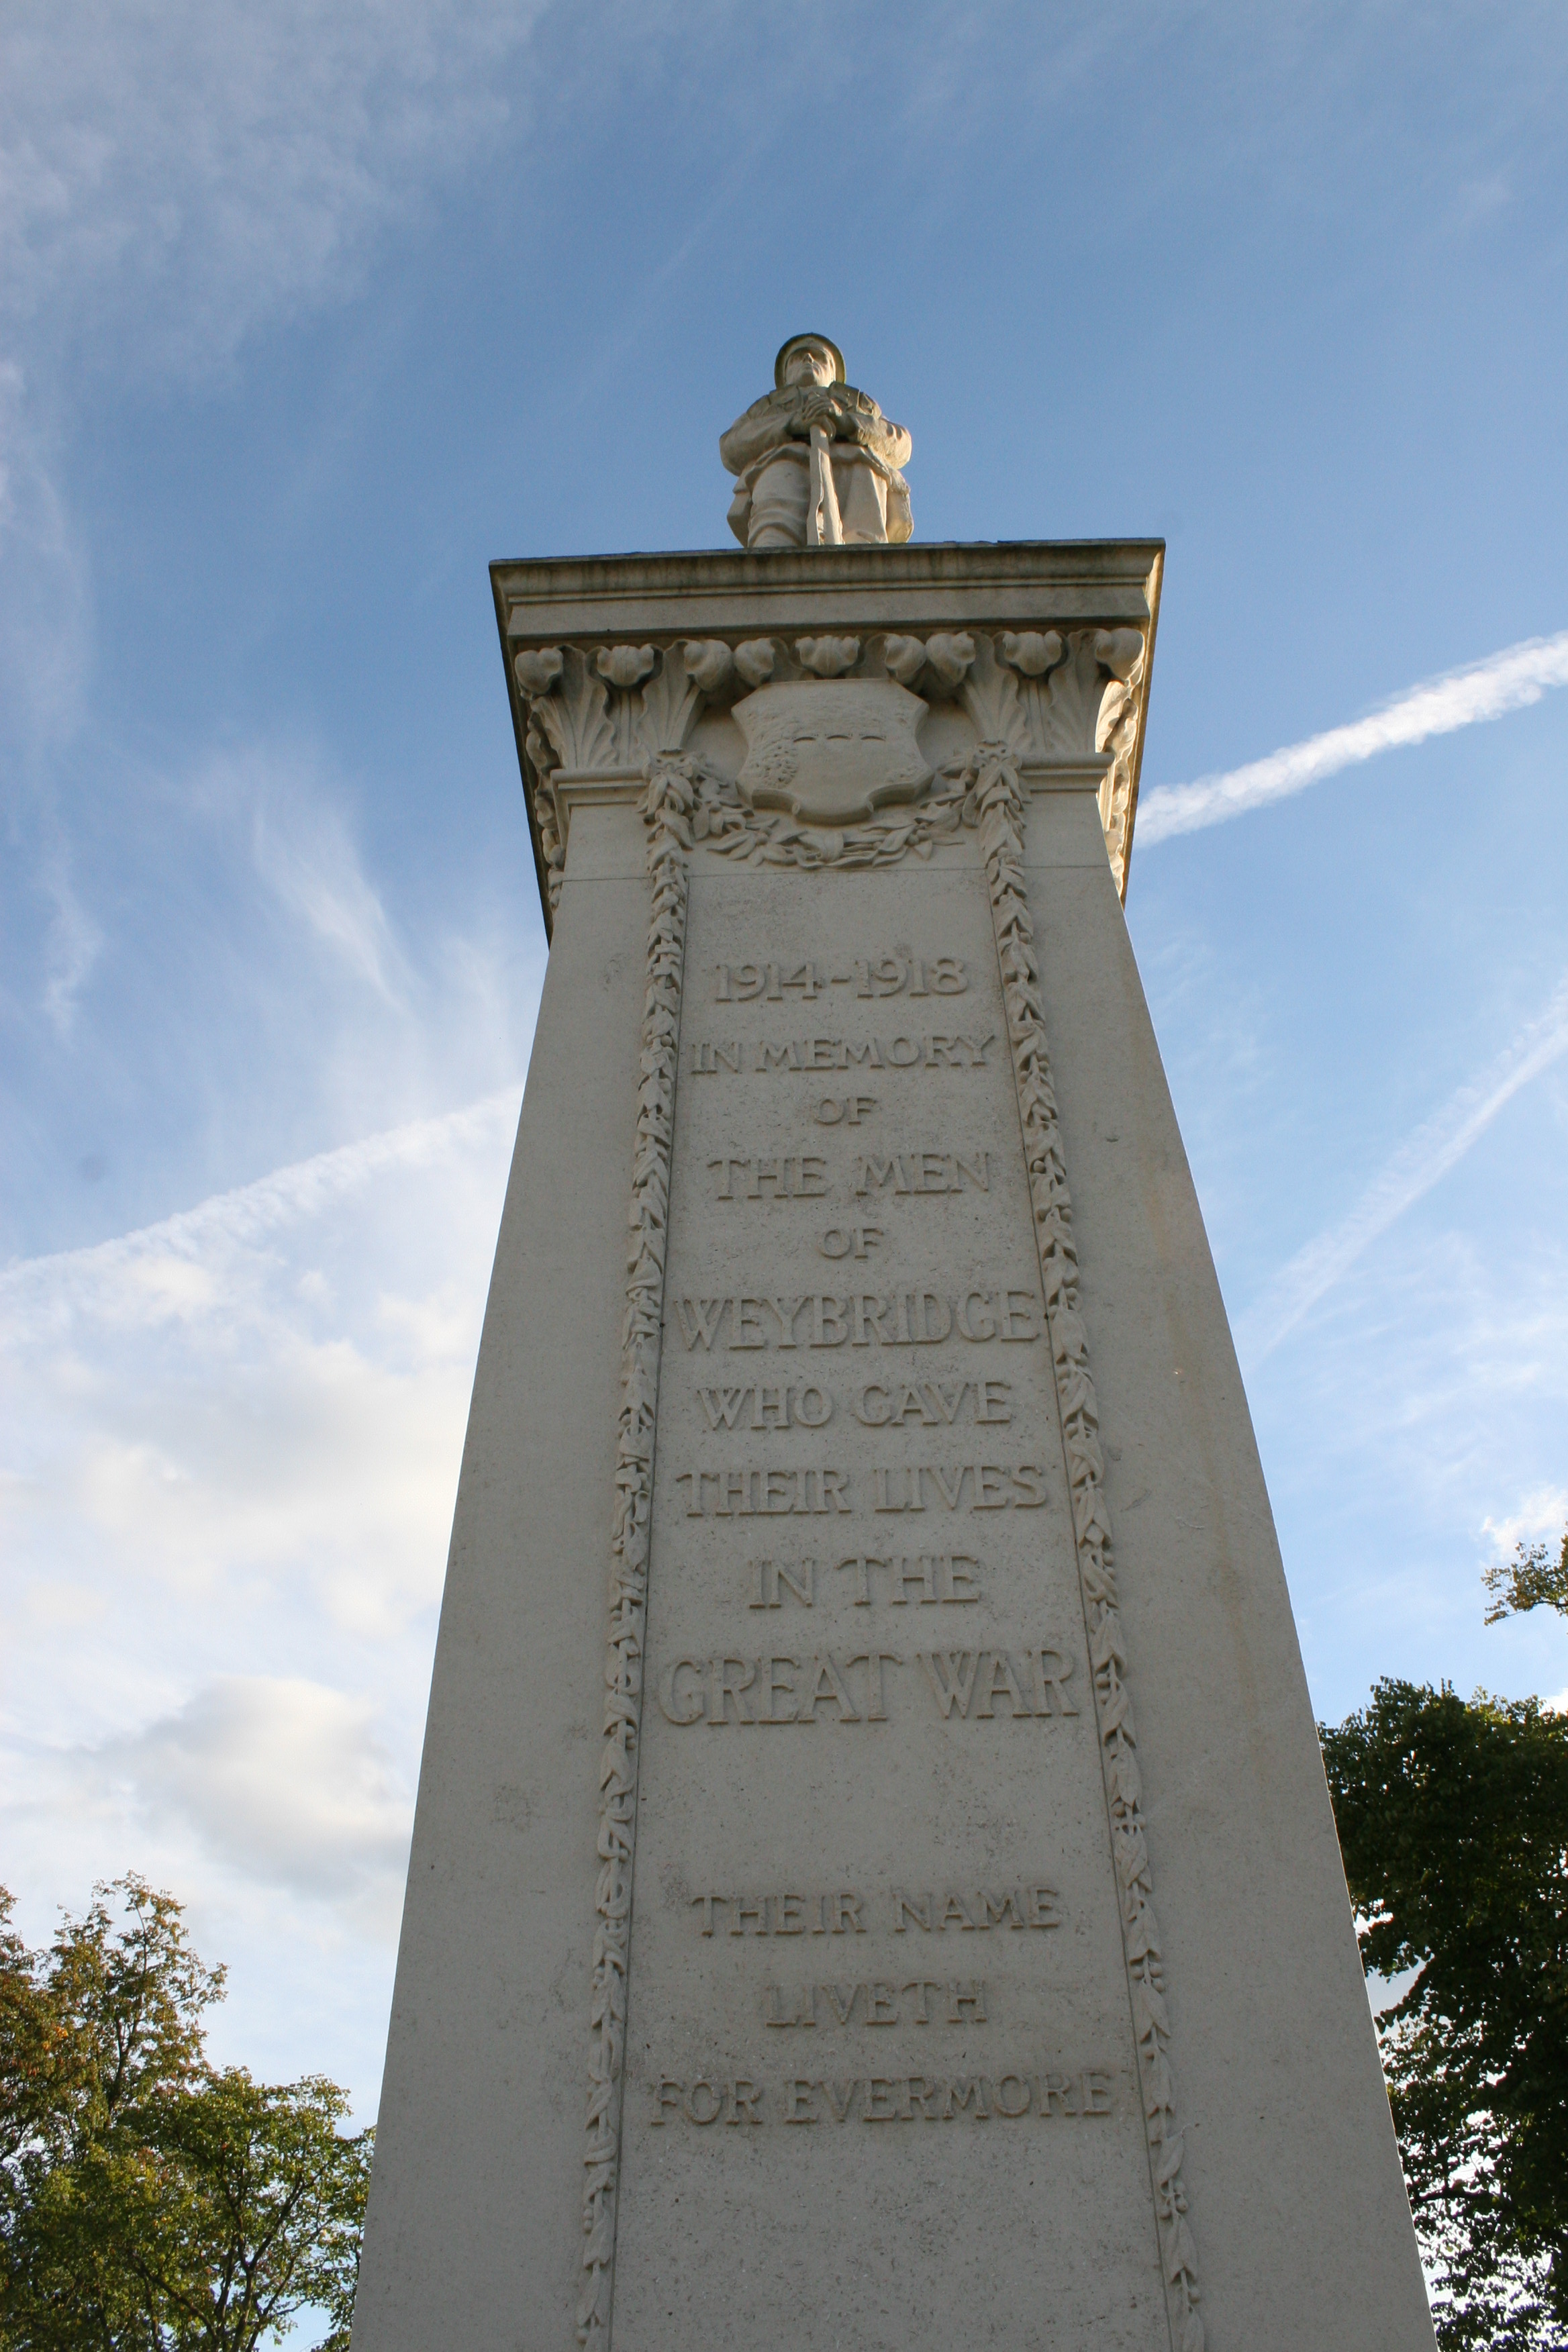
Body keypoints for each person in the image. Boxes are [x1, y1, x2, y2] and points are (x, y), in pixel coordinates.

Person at [720, 334, 912, 549]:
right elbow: (731, 445)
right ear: (786, 374)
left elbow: (901, 443)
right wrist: (791, 424)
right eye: (798, 357)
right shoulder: (766, 409)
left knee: (864, 538)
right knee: (774, 533)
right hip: (783, 465)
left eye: (819, 357)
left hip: (855, 470)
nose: (809, 359)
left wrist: (845, 421)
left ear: (833, 371)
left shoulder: (859, 404)